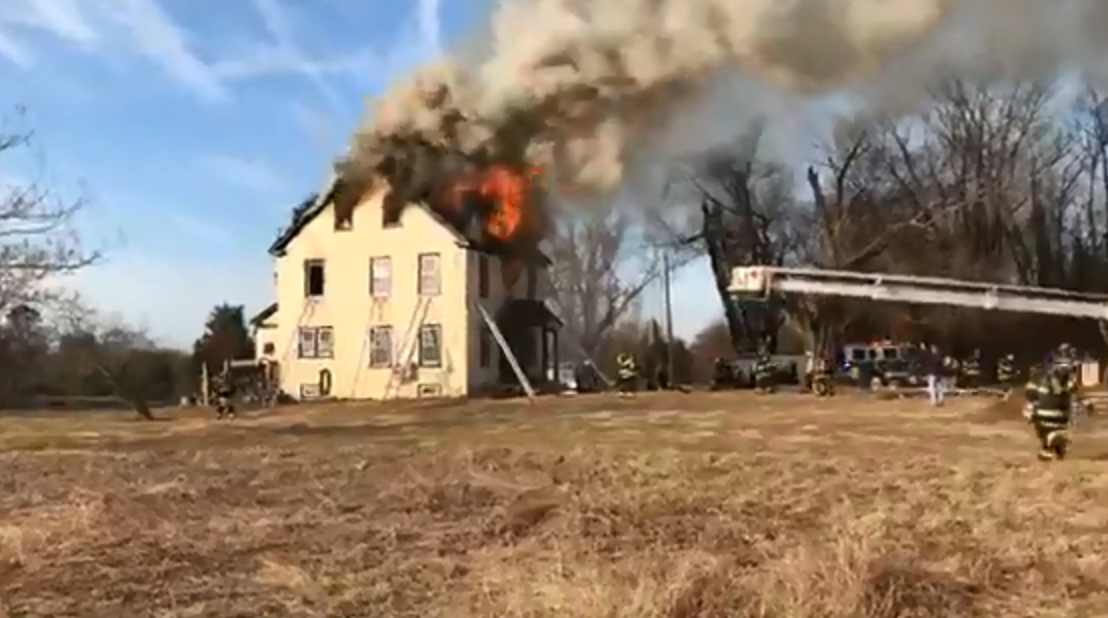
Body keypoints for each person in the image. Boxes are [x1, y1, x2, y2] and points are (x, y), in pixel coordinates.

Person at [1026, 359, 1077, 460]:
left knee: (1044, 428)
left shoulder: (1041, 377)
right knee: (1053, 429)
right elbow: (1072, 390)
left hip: (1044, 416)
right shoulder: (1068, 380)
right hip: (1060, 417)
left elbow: (1030, 393)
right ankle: (1055, 445)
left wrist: (1032, 406)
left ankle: (1049, 447)